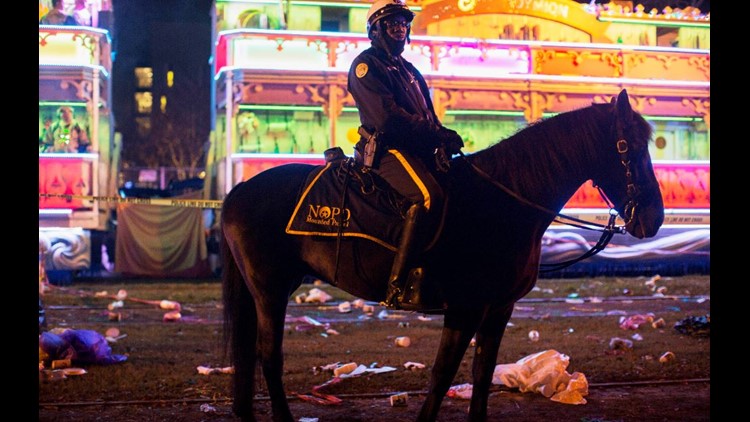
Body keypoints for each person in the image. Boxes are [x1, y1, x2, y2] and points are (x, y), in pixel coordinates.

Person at [347, 0, 464, 310]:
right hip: (387, 150)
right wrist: (434, 135)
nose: (399, 27)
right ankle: (398, 286)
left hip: (417, 150)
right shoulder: (366, 66)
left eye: (403, 22)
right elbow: (388, 119)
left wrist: (442, 136)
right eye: (391, 22)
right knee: (429, 196)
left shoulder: (408, 69)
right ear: (375, 29)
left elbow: (426, 114)